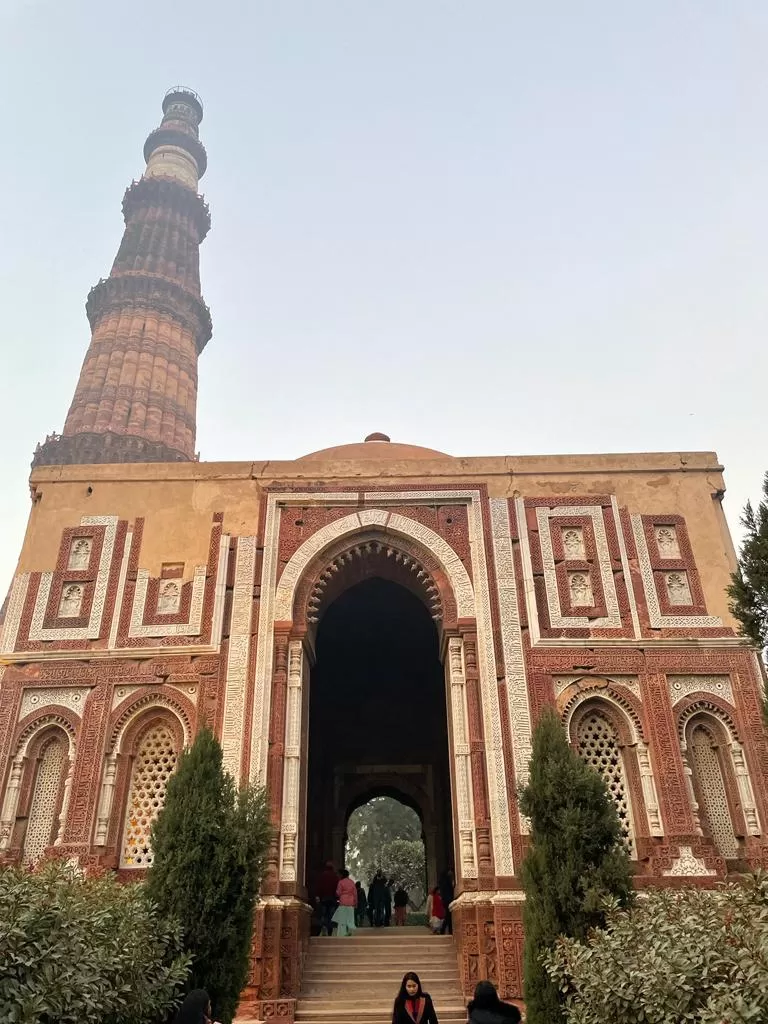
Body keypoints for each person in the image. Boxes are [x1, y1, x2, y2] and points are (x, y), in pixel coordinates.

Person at [332, 868, 357, 937]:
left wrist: (336, 894)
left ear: (342, 875)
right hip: (351, 901)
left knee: (342, 918)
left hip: (343, 901)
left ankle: (342, 933)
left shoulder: (341, 882)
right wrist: (355, 902)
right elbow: (355, 893)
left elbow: (338, 893)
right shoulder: (352, 882)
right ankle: (350, 931)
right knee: (350, 918)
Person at [316, 860, 339, 936]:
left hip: (324, 898)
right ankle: (330, 931)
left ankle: (323, 928)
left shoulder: (322, 875)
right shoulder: (335, 876)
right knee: (331, 915)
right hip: (332, 899)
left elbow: (319, 886)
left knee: (323, 914)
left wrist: (318, 896)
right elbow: (337, 888)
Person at [439, 869, 454, 935]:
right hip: (448, 900)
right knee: (448, 916)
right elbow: (450, 890)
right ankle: (445, 930)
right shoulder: (446, 881)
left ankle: (446, 930)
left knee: (448, 916)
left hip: (445, 900)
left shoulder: (442, 881)